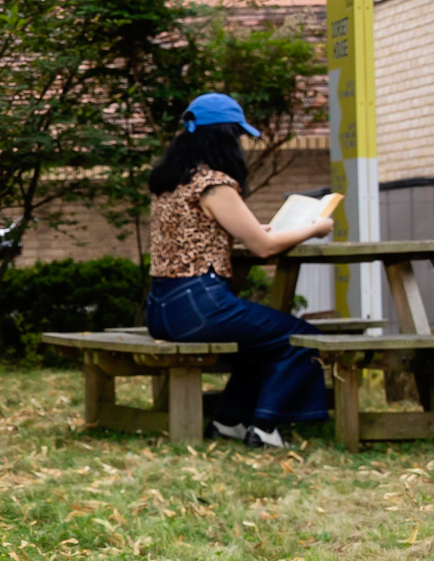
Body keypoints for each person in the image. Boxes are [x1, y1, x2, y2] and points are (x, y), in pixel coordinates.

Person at [143, 92, 335, 447]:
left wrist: (254, 230)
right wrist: (314, 227)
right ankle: (264, 428)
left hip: (161, 307)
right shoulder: (214, 183)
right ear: (222, 137)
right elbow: (263, 248)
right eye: (237, 136)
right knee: (300, 339)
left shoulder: (170, 181)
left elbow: (203, 231)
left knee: (259, 343)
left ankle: (230, 420)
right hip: (200, 304)